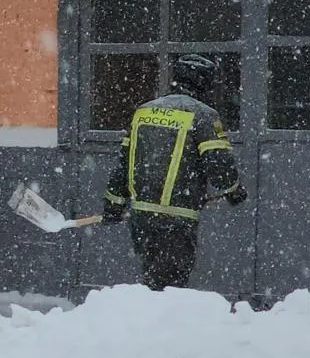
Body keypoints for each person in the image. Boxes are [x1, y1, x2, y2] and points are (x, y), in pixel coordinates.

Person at [102, 54, 246, 290]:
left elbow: (123, 165)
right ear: (204, 83)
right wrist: (234, 190)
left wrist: (114, 205)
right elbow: (219, 165)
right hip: (177, 218)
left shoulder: (144, 112)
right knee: (171, 287)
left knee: (153, 278)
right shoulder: (203, 115)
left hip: (142, 217)